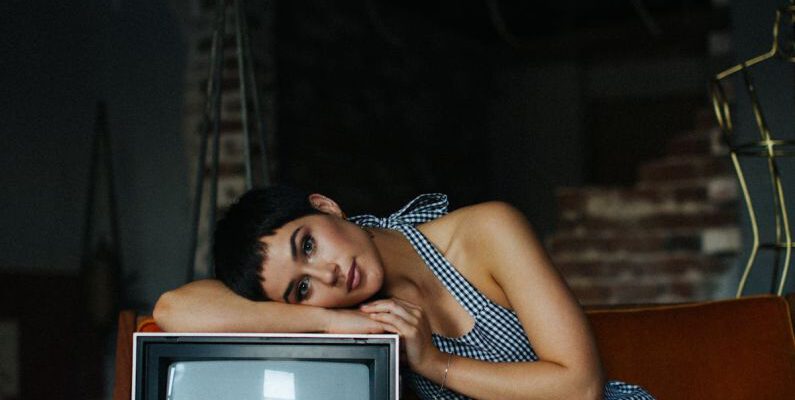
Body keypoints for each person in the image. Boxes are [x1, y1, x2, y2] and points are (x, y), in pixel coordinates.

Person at [154, 186, 654, 400]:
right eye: (300, 287)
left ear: (326, 206)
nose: (326, 276)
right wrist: (330, 323)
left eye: (308, 243)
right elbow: (173, 309)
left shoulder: (486, 232)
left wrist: (432, 362)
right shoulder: (350, 316)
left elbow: (580, 388)